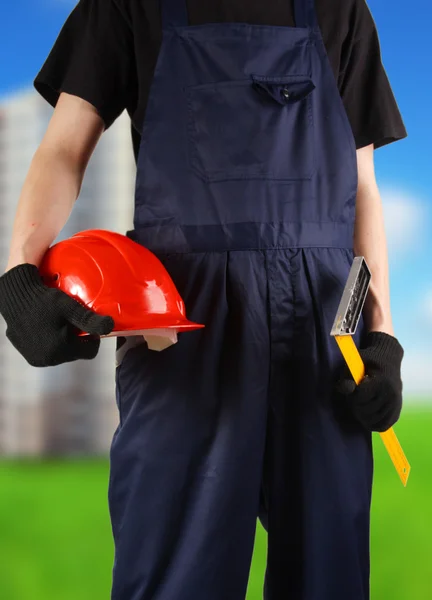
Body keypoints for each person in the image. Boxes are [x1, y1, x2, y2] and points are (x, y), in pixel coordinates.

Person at [0, 0, 407, 598]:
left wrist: (382, 335)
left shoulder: (340, 8)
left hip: (324, 328)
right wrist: (19, 278)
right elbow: (63, 149)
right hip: (181, 320)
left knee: (330, 574)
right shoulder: (124, 5)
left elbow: (361, 186)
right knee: (172, 572)